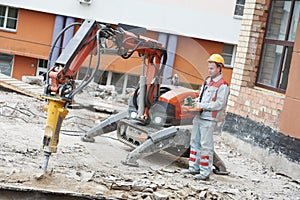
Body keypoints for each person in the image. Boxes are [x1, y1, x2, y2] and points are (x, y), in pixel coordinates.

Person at [181, 53, 230, 181]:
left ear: (219, 68)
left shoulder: (223, 86)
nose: (209, 70)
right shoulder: (207, 82)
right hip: (199, 116)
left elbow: (219, 104)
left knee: (205, 146)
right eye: (209, 68)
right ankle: (193, 168)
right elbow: (201, 97)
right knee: (194, 142)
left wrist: (201, 105)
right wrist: (193, 102)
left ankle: (204, 173)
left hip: (209, 119)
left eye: (212, 68)